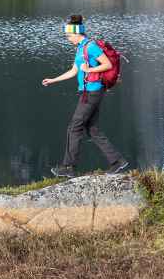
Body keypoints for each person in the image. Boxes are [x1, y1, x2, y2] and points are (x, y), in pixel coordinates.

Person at [42, 14, 128, 178]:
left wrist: (90, 70)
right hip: (88, 92)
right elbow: (74, 71)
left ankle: (68, 167)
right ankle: (117, 161)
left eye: (69, 36)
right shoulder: (80, 49)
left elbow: (107, 64)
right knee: (91, 128)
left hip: (92, 92)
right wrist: (53, 80)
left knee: (74, 127)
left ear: (77, 34)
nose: (68, 39)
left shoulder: (91, 46)